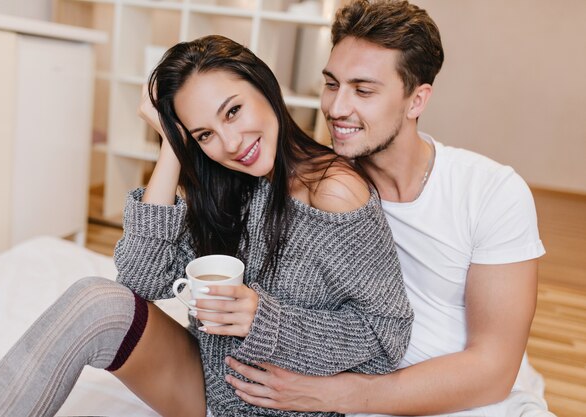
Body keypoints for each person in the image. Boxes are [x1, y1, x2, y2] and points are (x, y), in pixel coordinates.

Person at [0, 35, 414, 417]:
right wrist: (172, 147)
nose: (231, 144)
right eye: (204, 135)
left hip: (276, 405)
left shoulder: (333, 192)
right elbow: (139, 280)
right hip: (212, 385)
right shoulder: (230, 182)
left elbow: (386, 335)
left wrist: (267, 321)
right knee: (97, 300)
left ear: (264, 86)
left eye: (233, 111)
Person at [223, 1, 554, 416]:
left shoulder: (490, 191)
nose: (337, 108)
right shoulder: (317, 192)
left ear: (417, 100)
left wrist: (329, 394)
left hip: (471, 402)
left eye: (363, 90)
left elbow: (492, 370)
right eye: (331, 84)